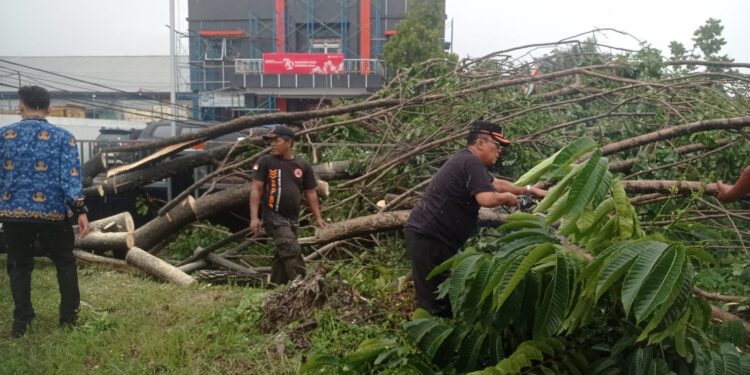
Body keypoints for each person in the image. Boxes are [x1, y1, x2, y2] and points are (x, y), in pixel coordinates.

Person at [404, 121, 546, 318]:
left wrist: (529, 190)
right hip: (430, 237)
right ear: (480, 143)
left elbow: (496, 184)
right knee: (436, 304)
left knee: (439, 292)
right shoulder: (471, 162)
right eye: (497, 146)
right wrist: (508, 199)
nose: (500, 151)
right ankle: (431, 341)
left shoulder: (470, 162)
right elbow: (487, 198)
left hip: (434, 237)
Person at [1, 85, 90, 337]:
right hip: (52, 213)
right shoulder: (64, 138)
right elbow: (71, 178)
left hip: (13, 214)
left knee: (19, 265)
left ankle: (21, 323)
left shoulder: (3, 136)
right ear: (49, 108)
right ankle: (69, 319)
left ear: (20, 106)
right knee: (64, 262)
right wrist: (80, 210)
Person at [249, 124, 326, 285]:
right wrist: (254, 217)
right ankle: (303, 286)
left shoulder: (302, 165)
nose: (272, 144)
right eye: (271, 141)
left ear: (289, 142)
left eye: (276, 140)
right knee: (291, 248)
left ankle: (275, 286)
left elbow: (311, 193)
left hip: (292, 218)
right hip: (273, 216)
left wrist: (318, 218)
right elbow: (256, 189)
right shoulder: (265, 162)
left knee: (283, 252)